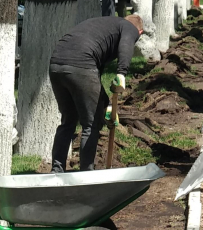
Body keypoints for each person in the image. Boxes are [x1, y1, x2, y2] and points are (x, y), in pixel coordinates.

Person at [48, 15, 144, 172]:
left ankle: (56, 170)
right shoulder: (129, 27)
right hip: (81, 64)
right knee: (91, 124)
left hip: (56, 64)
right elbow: (126, 45)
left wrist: (106, 106)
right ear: (139, 32)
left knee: (68, 121)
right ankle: (86, 172)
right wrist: (121, 73)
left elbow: (94, 78)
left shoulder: (105, 27)